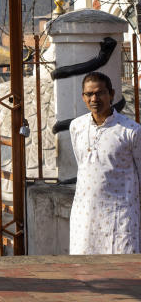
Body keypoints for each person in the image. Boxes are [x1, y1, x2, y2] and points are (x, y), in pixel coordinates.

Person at [69, 71, 141, 254]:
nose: (94, 98)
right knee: (84, 270)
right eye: (89, 94)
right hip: (84, 215)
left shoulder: (131, 131)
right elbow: (82, 163)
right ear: (82, 97)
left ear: (112, 94)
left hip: (120, 216)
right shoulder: (77, 126)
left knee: (124, 271)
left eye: (100, 93)